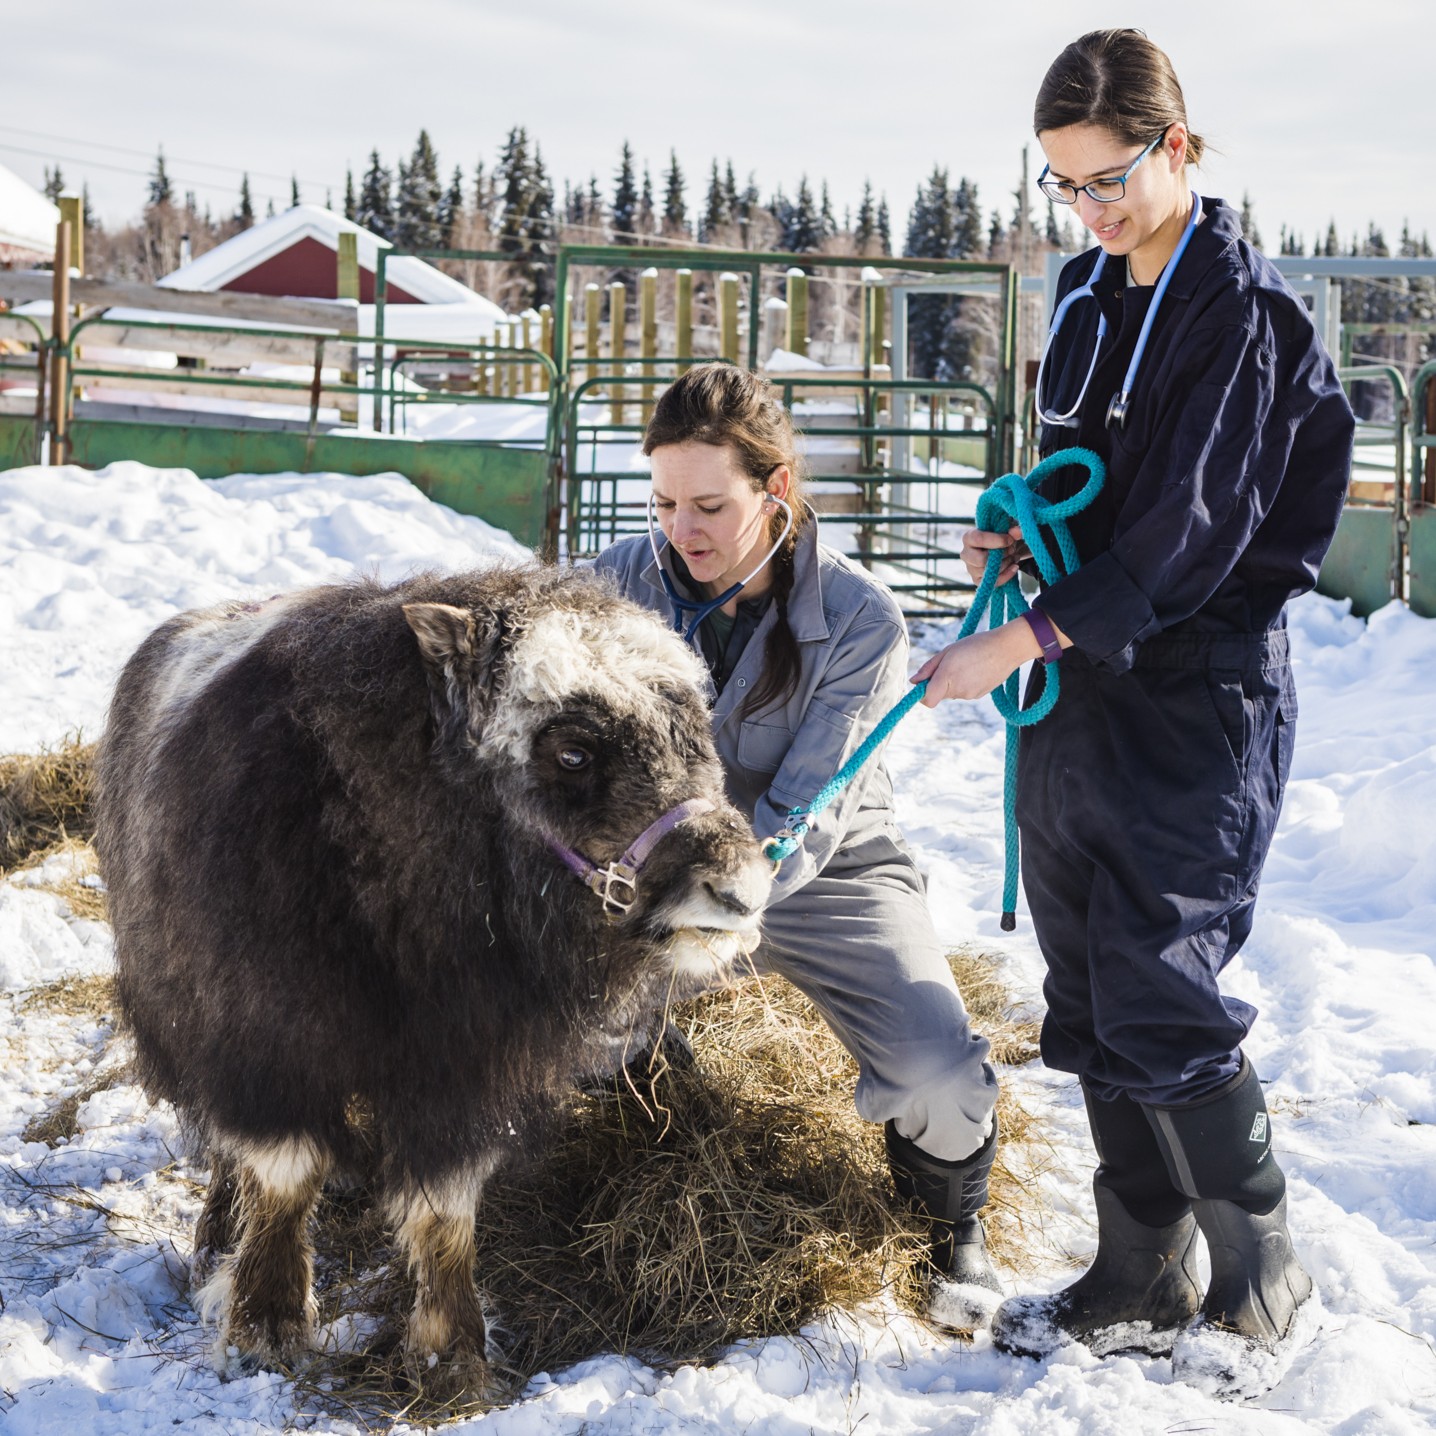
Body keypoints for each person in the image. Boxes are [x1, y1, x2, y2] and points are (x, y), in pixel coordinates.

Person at [912, 29, 1354, 1387]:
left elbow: (1189, 535)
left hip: (1195, 690)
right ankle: (1139, 1264)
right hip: (1081, 691)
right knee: (1091, 981)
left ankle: (1263, 1264)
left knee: (1165, 978)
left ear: (1177, 146)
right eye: (1066, 187)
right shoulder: (1093, 298)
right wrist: (1016, 554)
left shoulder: (1244, 315)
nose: (1092, 211)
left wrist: (1021, 637)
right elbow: (1078, 484)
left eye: (1109, 179)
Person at [595, 362, 1002, 1325]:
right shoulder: (614, 584)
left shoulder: (860, 617)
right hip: (651, 864)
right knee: (566, 1030)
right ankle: (652, 1097)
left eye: (708, 505)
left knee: (938, 1071)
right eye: (663, 503)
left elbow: (813, 802)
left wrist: (710, 909)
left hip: (824, 869)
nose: (680, 530)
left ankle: (950, 1231)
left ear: (774, 492)